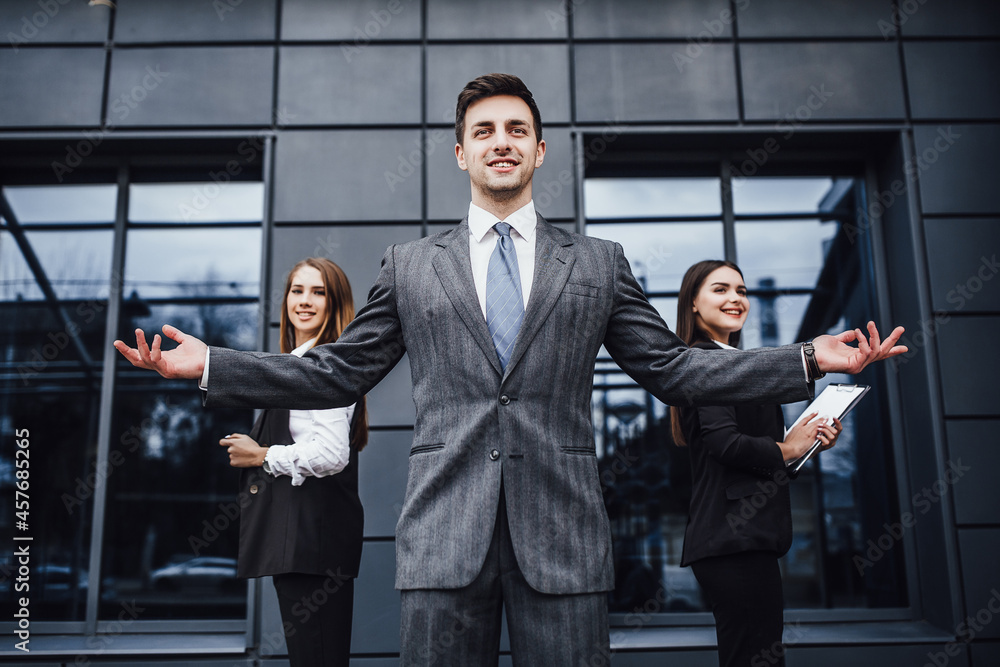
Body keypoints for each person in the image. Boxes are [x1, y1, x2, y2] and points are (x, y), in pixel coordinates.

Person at [114, 73, 906, 667]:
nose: (501, 140)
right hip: (442, 537)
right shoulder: (411, 265)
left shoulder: (596, 264)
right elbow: (335, 372)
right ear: (460, 150)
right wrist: (213, 363)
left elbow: (675, 370)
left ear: (539, 148)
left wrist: (803, 359)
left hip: (562, 538)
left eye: (517, 128)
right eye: (484, 129)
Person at [670, 260, 840, 667]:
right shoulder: (705, 361)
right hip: (733, 541)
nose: (735, 298)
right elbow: (725, 444)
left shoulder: (738, 364)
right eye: (720, 289)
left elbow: (756, 457)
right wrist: (788, 448)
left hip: (745, 540)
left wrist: (808, 445)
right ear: (693, 303)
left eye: (741, 291)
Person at [221, 257, 368, 667]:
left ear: (335, 303)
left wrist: (262, 454)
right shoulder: (312, 364)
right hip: (311, 547)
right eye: (297, 290)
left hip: (310, 548)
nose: (304, 301)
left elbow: (332, 454)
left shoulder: (319, 366)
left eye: (318, 292)